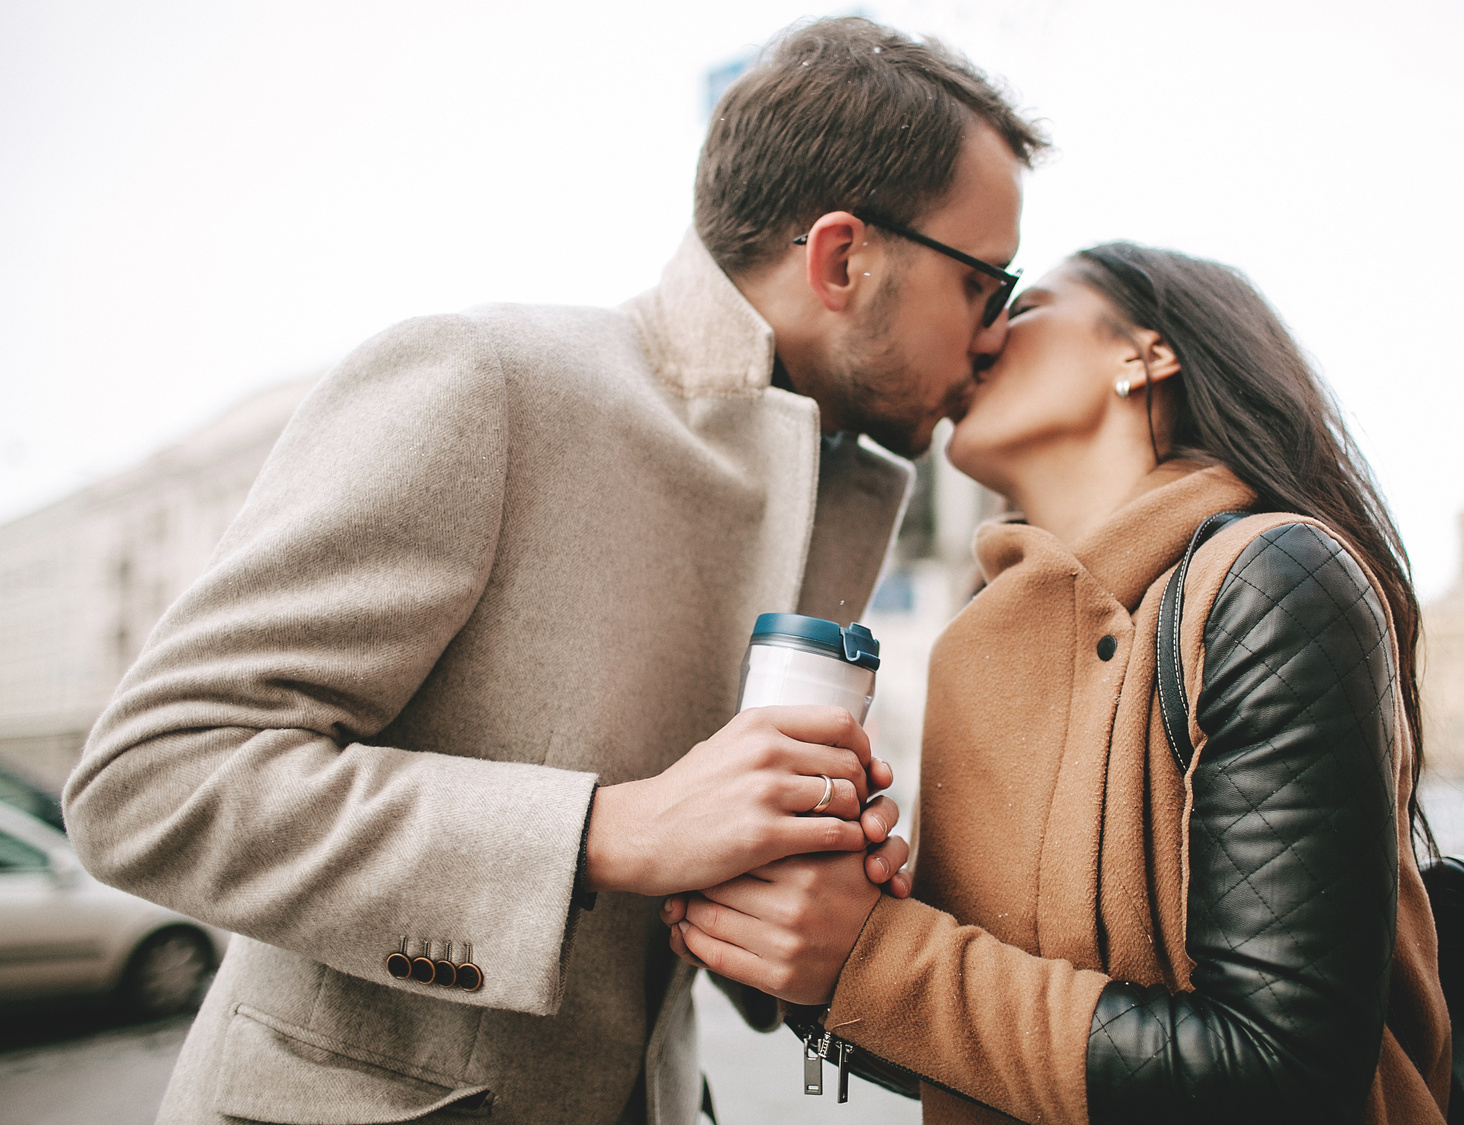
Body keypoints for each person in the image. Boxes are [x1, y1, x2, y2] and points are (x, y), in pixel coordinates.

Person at [61, 18, 1048, 1125]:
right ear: (840, 257)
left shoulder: (835, 488)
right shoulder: (486, 382)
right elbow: (147, 781)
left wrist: (799, 890)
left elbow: (674, 890)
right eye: (985, 284)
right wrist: (605, 829)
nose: (993, 334)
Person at [665, 242, 1455, 1124]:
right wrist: (799, 948)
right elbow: (992, 1053)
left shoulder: (1273, 578)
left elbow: (1285, 1076)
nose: (985, 332)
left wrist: (875, 954)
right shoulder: (984, 647)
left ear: (1144, 353)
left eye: (1027, 306)